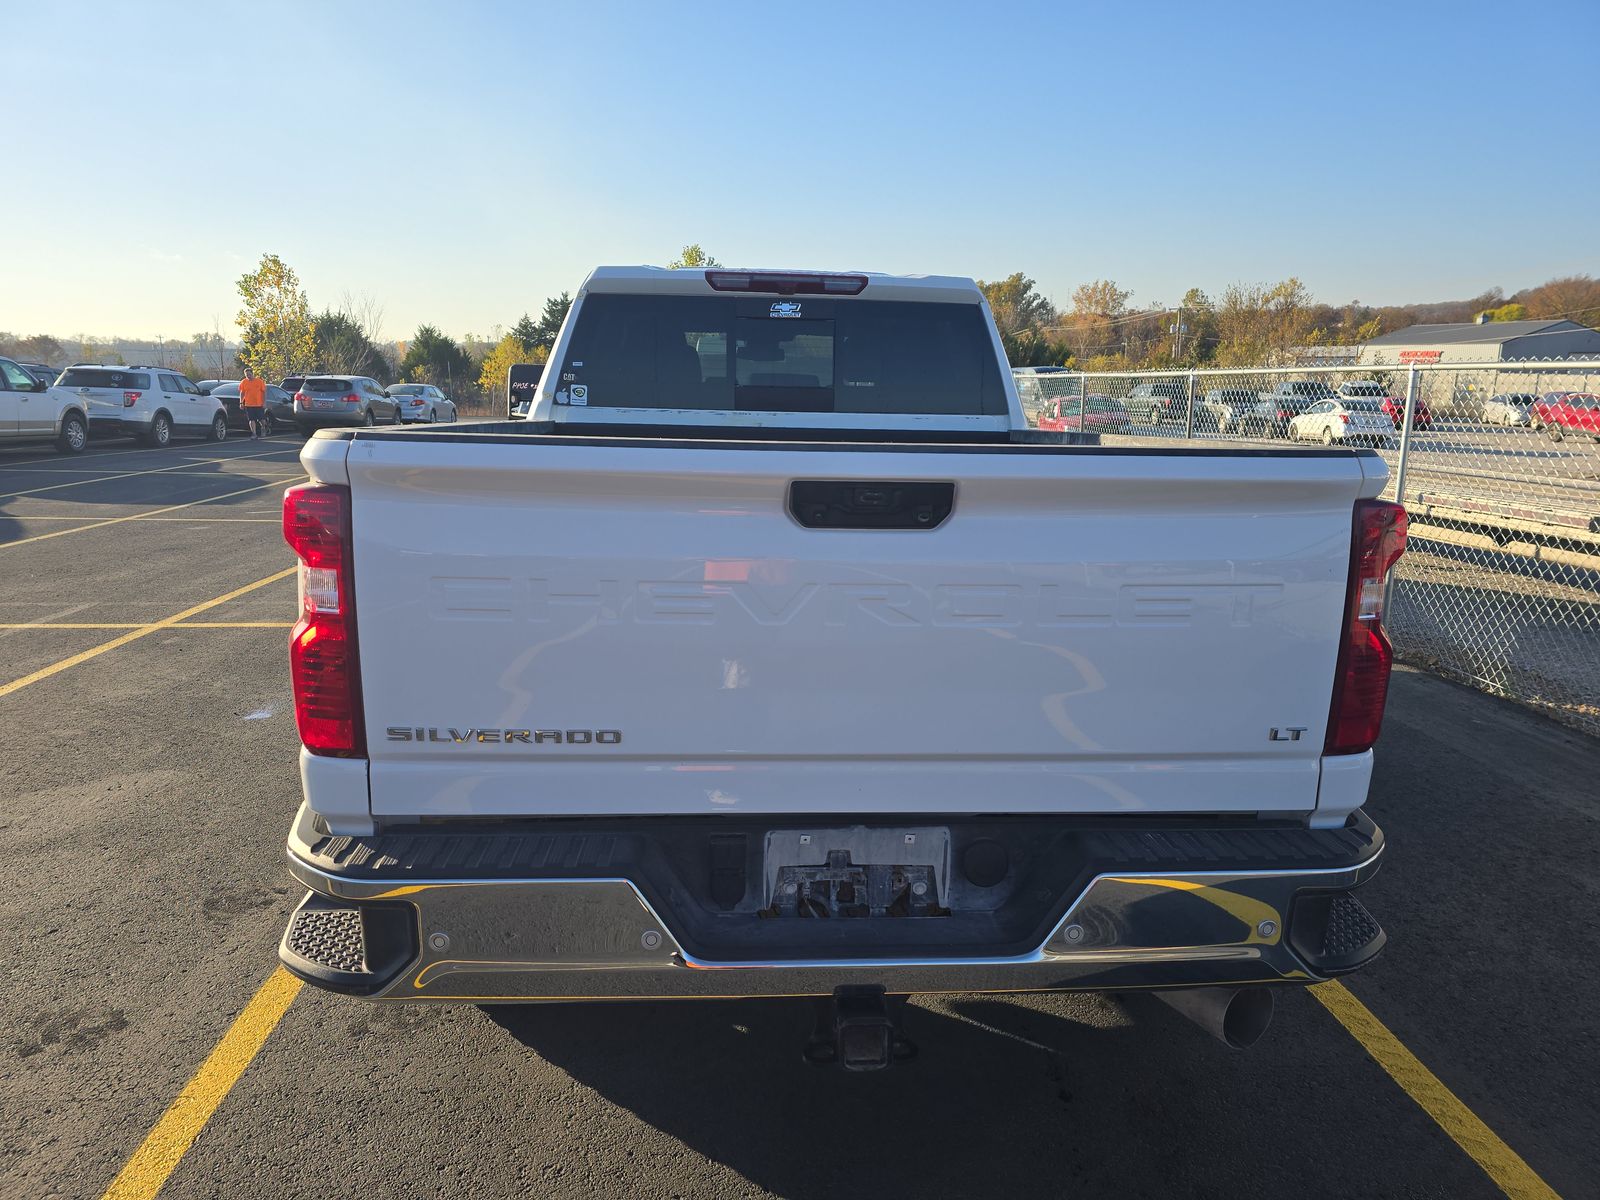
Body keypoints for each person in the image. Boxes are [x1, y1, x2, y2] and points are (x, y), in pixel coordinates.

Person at [238, 367, 268, 439]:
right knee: (251, 419)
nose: (248, 376)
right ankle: (254, 433)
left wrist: (264, 402)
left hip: (258, 404)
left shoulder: (259, 381)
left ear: (252, 373)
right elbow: (242, 393)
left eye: (249, 374)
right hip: (249, 404)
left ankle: (263, 427)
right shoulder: (244, 382)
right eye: (246, 375)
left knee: (262, 419)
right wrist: (241, 402)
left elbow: (264, 392)